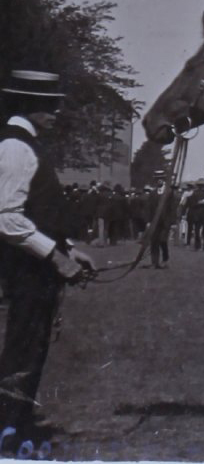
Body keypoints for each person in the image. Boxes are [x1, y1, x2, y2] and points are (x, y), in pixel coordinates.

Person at [0, 70, 95, 444]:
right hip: (25, 270)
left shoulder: (27, 145)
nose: (57, 111)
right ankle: (8, 431)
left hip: (35, 267)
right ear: (31, 105)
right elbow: (6, 217)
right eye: (51, 104)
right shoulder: (15, 148)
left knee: (33, 345)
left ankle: (14, 424)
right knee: (24, 347)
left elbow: (36, 213)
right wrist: (55, 258)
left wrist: (69, 250)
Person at [146, 171, 171, 268]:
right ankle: (154, 262)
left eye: (160, 179)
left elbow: (172, 208)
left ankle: (165, 260)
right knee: (154, 241)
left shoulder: (168, 193)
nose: (159, 181)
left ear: (164, 180)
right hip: (154, 221)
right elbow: (148, 208)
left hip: (165, 221)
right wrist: (148, 221)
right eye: (157, 179)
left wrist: (171, 222)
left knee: (163, 240)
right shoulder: (152, 193)